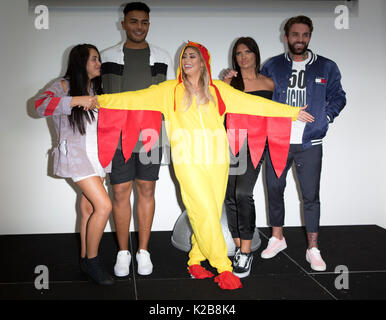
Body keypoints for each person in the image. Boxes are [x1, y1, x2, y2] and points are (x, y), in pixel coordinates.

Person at [93, 41, 313, 290]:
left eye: (193, 56)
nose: (187, 60)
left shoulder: (218, 89)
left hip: (218, 161)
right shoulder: (169, 91)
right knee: (204, 210)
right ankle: (222, 266)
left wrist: (291, 112)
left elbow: (254, 104)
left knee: (207, 210)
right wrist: (96, 101)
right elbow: (132, 99)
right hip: (187, 161)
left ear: (203, 62)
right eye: (184, 56)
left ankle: (196, 260)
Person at [260, 16, 346, 271]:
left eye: (305, 35)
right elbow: (260, 98)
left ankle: (313, 248)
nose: (300, 39)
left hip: (310, 142)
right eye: (295, 35)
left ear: (309, 36)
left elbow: (339, 96)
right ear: (286, 37)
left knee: (310, 196)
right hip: (278, 140)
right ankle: (277, 238)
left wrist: (325, 117)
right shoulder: (272, 66)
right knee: (274, 189)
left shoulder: (327, 67)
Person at [100, 2, 174, 277]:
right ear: (123, 24)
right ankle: (123, 252)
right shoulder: (107, 56)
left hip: (151, 135)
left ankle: (143, 251)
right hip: (117, 136)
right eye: (133, 21)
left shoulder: (162, 56)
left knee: (146, 190)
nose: (139, 27)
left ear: (148, 25)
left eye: (143, 22)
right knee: (119, 192)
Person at [35, 44, 114, 285]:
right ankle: (92, 261)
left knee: (89, 209)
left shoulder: (96, 88)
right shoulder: (63, 85)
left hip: (96, 158)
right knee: (105, 206)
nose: (99, 63)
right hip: (77, 158)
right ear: (81, 62)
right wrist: (75, 100)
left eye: (99, 58)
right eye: (94, 59)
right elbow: (39, 106)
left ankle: (83, 258)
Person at [222, 37, 279, 278]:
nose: (243, 57)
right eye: (238, 53)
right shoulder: (229, 82)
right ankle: (238, 245)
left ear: (255, 54)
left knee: (243, 193)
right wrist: (223, 84)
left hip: (256, 145)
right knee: (229, 196)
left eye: (247, 52)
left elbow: (275, 115)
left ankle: (246, 251)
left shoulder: (269, 83)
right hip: (230, 144)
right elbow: (218, 111)